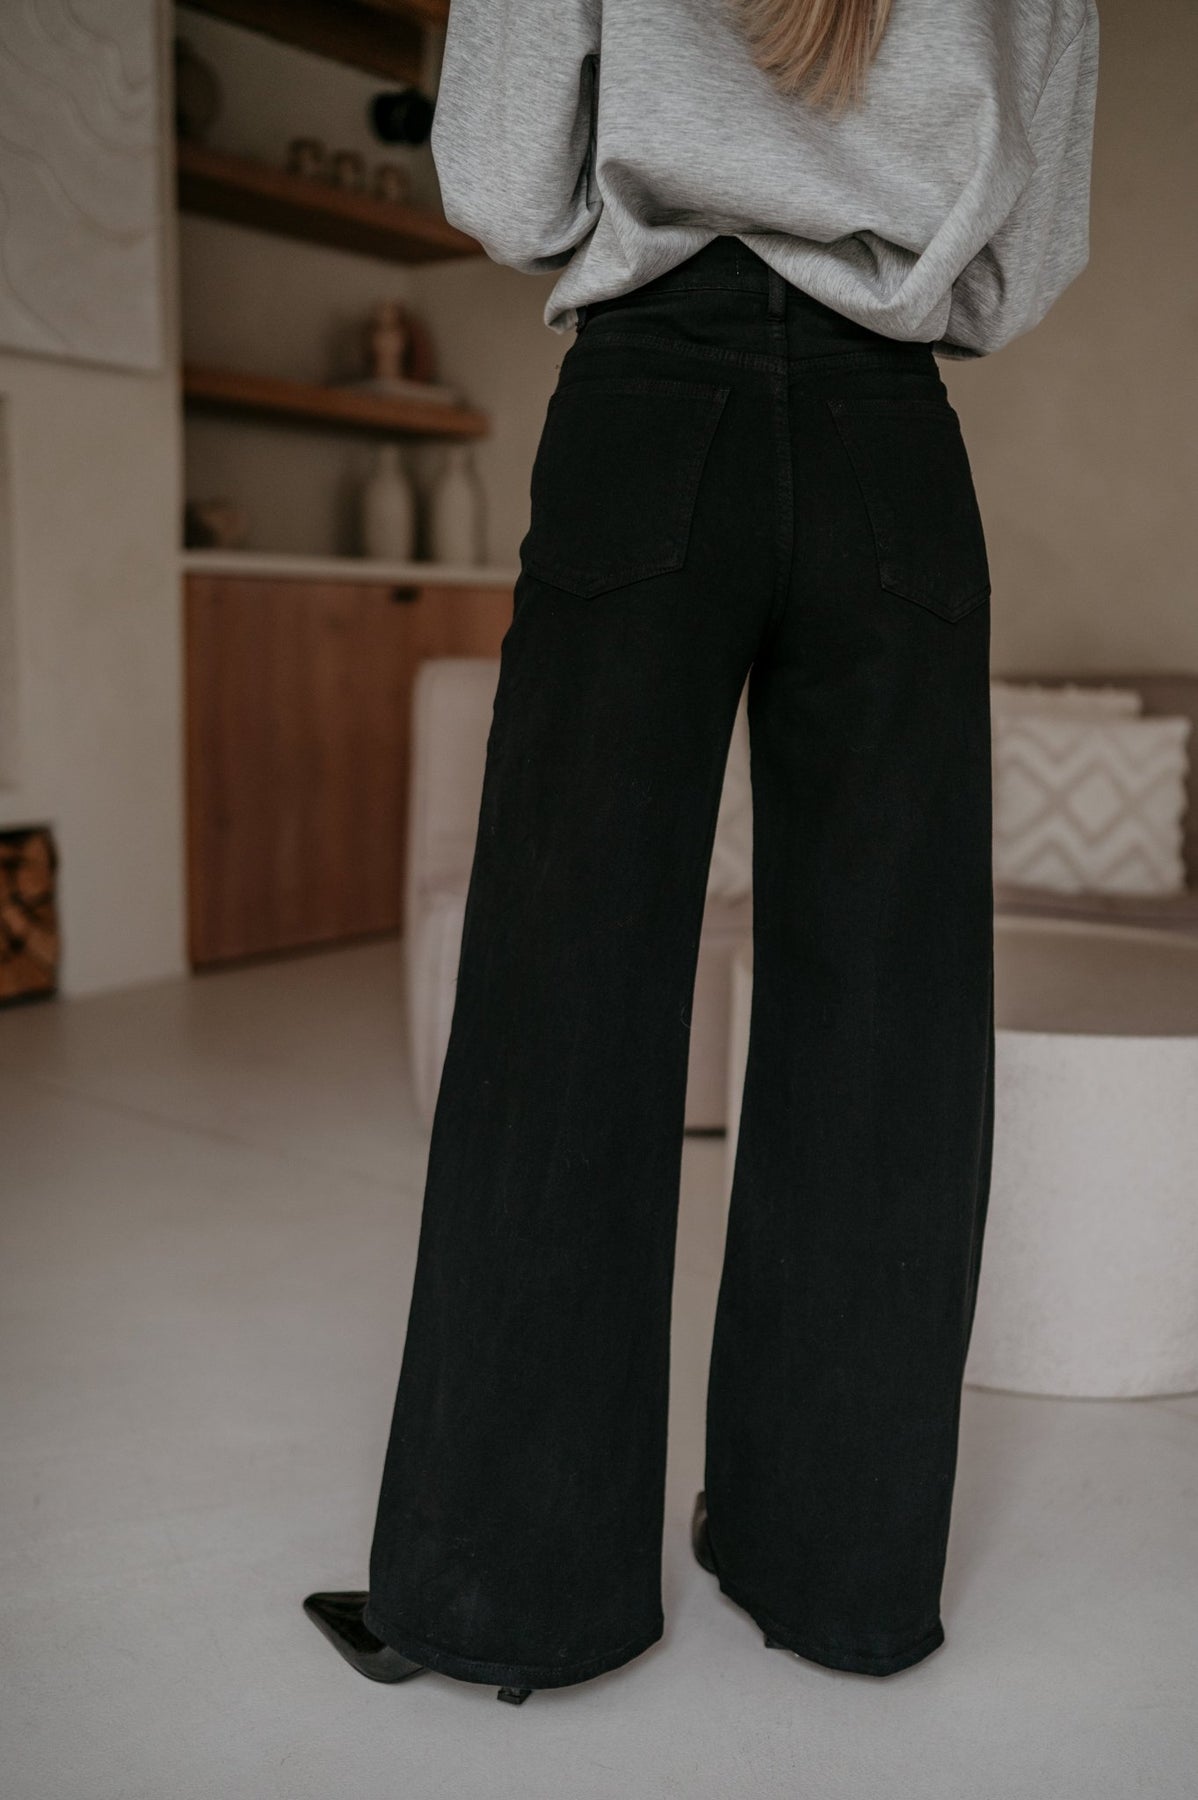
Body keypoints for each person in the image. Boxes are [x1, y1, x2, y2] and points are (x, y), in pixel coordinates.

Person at [304, 0, 1100, 1704]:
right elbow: (1027, 254)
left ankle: (509, 1594)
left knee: (559, 1004)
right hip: (892, 440)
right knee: (886, 1023)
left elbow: (497, 178)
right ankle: (838, 1577)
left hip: (651, 407)